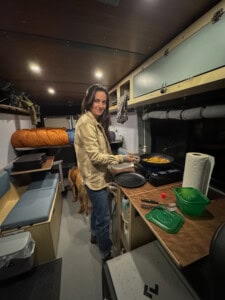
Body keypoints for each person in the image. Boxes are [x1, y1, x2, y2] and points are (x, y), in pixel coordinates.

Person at [75, 83, 137, 261]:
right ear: (89, 101)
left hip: (98, 176)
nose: (101, 105)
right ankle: (106, 253)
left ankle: (94, 235)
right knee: (104, 219)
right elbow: (95, 157)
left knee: (97, 212)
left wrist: (122, 158)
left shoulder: (94, 121)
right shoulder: (86, 123)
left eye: (103, 102)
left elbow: (103, 151)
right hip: (95, 179)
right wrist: (122, 159)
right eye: (97, 101)